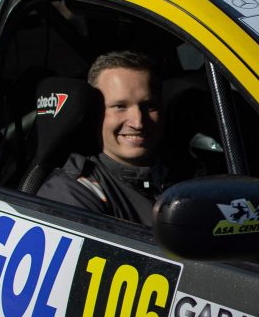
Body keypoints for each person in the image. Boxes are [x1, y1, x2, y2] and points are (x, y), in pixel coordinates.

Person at [37, 50, 165, 224]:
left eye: (149, 106)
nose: (138, 122)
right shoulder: (72, 193)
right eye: (120, 106)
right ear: (94, 112)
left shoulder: (183, 168)